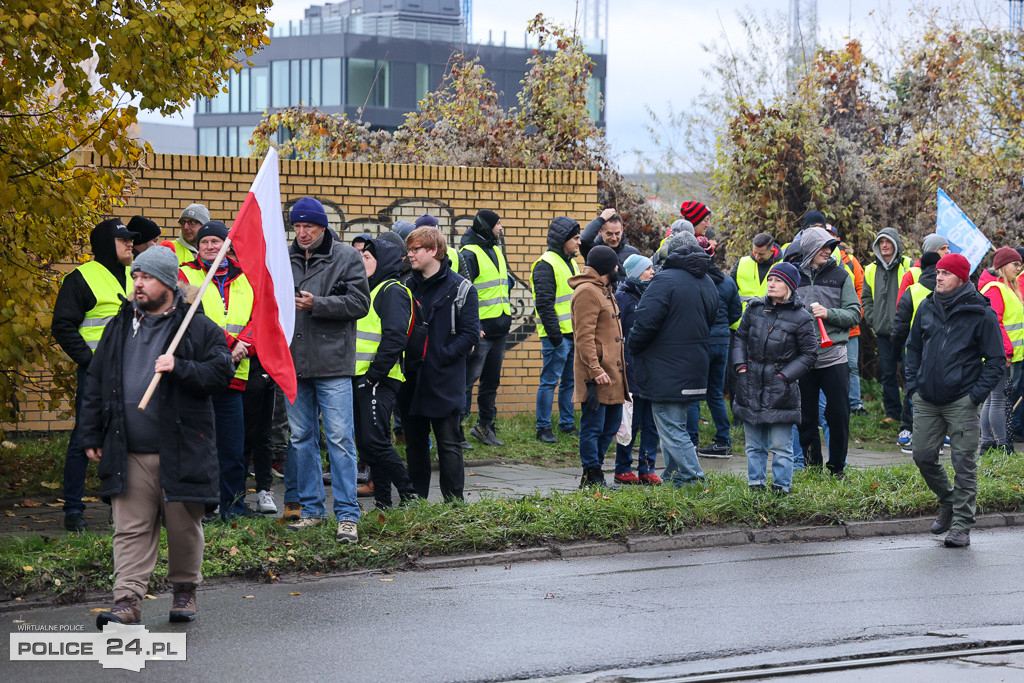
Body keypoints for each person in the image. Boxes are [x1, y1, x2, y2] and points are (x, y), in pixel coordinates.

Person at [80, 246, 234, 626]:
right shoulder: (119, 325)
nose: (138, 284)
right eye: (135, 277)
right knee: (130, 529)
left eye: (145, 277)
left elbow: (220, 374)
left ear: (167, 282)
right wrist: (90, 431)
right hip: (127, 447)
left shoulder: (196, 327)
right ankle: (127, 601)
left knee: (183, 527)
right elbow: (96, 380)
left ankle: (184, 590)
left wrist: (179, 366)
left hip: (181, 446)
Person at [284, 197, 370, 544]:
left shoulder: (346, 256)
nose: (303, 233)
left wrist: (317, 304)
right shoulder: (283, 257)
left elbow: (360, 303)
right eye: (298, 226)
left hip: (333, 363)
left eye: (310, 226)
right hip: (294, 363)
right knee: (301, 439)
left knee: (339, 439)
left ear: (323, 227)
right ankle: (313, 511)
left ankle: (348, 514)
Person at [905, 253, 1004, 547]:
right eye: (937, 273)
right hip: (926, 398)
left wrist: (974, 397)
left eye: (945, 274)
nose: (938, 277)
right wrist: (913, 387)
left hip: (961, 400)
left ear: (960, 279)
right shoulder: (926, 307)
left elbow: (996, 361)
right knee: (922, 456)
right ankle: (947, 501)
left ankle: (961, 526)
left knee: (964, 464)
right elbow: (913, 348)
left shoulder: (980, 313)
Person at [51, 218, 138, 532]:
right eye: (124, 240)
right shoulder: (81, 278)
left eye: (131, 240)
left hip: (133, 374)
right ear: (106, 244)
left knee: (127, 442)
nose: (131, 244)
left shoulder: (135, 276)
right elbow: (63, 325)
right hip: (96, 376)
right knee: (82, 441)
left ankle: (122, 510)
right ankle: (73, 511)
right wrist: (90, 362)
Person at [178, 220, 255, 521]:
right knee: (198, 447)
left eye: (215, 242)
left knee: (233, 449)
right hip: (200, 375)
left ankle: (233, 507)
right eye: (204, 242)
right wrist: (231, 344)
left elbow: (258, 317)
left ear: (227, 245)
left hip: (235, 374)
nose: (209, 247)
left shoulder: (245, 277)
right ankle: (201, 508)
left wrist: (244, 345)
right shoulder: (184, 273)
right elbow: (189, 317)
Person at [629, 237, 718, 486]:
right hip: (695, 364)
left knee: (670, 426)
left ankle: (693, 478)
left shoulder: (664, 281)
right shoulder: (708, 281)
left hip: (666, 367)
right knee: (674, 425)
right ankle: (674, 478)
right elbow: (711, 320)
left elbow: (645, 323)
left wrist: (632, 345)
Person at [401, 226, 480, 500]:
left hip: (444, 378)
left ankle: (453, 504)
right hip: (411, 378)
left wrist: (440, 357)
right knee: (415, 444)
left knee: (448, 443)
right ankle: (416, 501)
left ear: (433, 250)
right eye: (409, 249)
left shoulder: (462, 288)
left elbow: (470, 334)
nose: (410, 255)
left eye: (416, 249)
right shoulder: (407, 286)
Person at [731, 262, 818, 493]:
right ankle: (755, 486)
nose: (771, 284)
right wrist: (740, 366)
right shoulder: (755, 308)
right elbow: (739, 337)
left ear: (789, 285)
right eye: (770, 279)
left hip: (780, 389)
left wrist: (783, 377)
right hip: (750, 384)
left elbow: (810, 354)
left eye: (778, 280)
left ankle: (781, 488)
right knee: (753, 445)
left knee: (781, 446)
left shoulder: (801, 317)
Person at [353, 238, 421, 508]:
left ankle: (409, 494)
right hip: (361, 378)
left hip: (378, 379)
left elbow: (395, 337)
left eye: (367, 258)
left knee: (374, 441)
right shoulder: (369, 290)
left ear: (384, 262)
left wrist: (373, 375)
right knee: (368, 446)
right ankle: (383, 502)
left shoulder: (392, 291)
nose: (361, 262)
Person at [794, 227, 861, 476]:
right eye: (823, 246)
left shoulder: (841, 276)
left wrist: (828, 313)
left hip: (834, 358)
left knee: (838, 417)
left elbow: (855, 314)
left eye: (830, 247)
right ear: (809, 248)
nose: (828, 251)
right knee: (806, 417)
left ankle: (837, 469)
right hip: (803, 359)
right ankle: (812, 468)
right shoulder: (794, 276)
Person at [570, 246, 629, 487]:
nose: (618, 269)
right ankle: (592, 474)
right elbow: (583, 337)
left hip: (613, 374)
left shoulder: (604, 290)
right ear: (606, 267)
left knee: (612, 425)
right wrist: (595, 369)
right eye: (615, 265)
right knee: (593, 426)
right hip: (596, 375)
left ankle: (593, 472)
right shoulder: (587, 292)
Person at [459, 209, 512, 448]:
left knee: (491, 382)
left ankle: (484, 426)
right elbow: (463, 295)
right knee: (466, 382)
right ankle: (455, 431)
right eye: (497, 224)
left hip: (499, 329)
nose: (501, 227)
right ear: (485, 226)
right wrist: (473, 326)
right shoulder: (468, 253)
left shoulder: (496, 250)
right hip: (480, 331)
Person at [531, 216, 582, 442]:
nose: (579, 242)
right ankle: (543, 428)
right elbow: (544, 304)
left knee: (569, 382)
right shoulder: (546, 264)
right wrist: (556, 339)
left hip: (572, 333)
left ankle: (567, 424)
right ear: (564, 239)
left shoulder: (571, 261)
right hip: (557, 337)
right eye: (576, 238)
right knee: (550, 382)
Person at [690, 235, 741, 458]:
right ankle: (724, 441)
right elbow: (736, 312)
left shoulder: (693, 280)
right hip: (722, 342)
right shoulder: (727, 281)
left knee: (691, 394)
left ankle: (690, 442)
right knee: (715, 394)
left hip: (700, 341)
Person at [863, 227, 913, 446]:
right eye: (880, 242)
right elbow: (866, 298)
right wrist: (873, 320)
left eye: (888, 242)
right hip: (883, 332)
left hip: (907, 331)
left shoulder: (909, 265)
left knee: (911, 374)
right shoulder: (870, 269)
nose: (884, 245)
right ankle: (893, 412)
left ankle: (910, 413)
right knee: (888, 374)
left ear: (896, 243)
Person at [613, 255, 661, 485]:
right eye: (647, 269)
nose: (652, 272)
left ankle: (647, 468)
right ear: (635, 272)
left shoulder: (650, 294)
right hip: (631, 370)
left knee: (650, 423)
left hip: (651, 370)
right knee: (630, 423)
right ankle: (622, 468)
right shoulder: (622, 298)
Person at [978, 247, 1024, 452]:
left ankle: (988, 444)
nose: (1019, 268)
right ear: (1003, 266)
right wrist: (1005, 351)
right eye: (1015, 264)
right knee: (998, 400)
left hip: (1006, 354)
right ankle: (1003, 445)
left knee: (994, 399)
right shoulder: (995, 289)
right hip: (1000, 355)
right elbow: (995, 323)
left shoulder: (1009, 288)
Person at [730, 232, 781, 317]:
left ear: (771, 251)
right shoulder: (742, 262)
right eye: (755, 252)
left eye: (761, 254)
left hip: (770, 323)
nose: (757, 257)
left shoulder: (783, 265)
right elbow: (729, 290)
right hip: (739, 323)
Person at [898, 233, 950, 301]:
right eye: (942, 249)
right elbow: (900, 306)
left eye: (947, 248)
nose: (947, 251)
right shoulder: (911, 275)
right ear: (932, 252)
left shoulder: (951, 273)